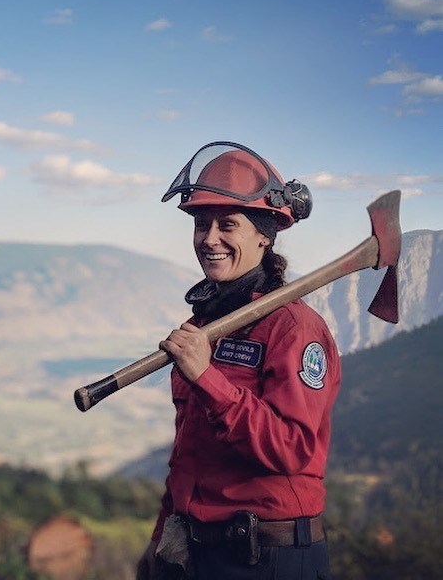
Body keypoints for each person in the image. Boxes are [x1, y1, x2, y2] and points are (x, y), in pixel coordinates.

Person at [137, 142, 338, 580]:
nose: (210, 239)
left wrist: (206, 377)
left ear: (264, 235)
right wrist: (159, 538)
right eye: (201, 224)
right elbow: (188, 451)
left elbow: (291, 449)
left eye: (227, 224)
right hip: (198, 552)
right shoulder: (204, 325)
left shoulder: (293, 329)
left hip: (270, 559)